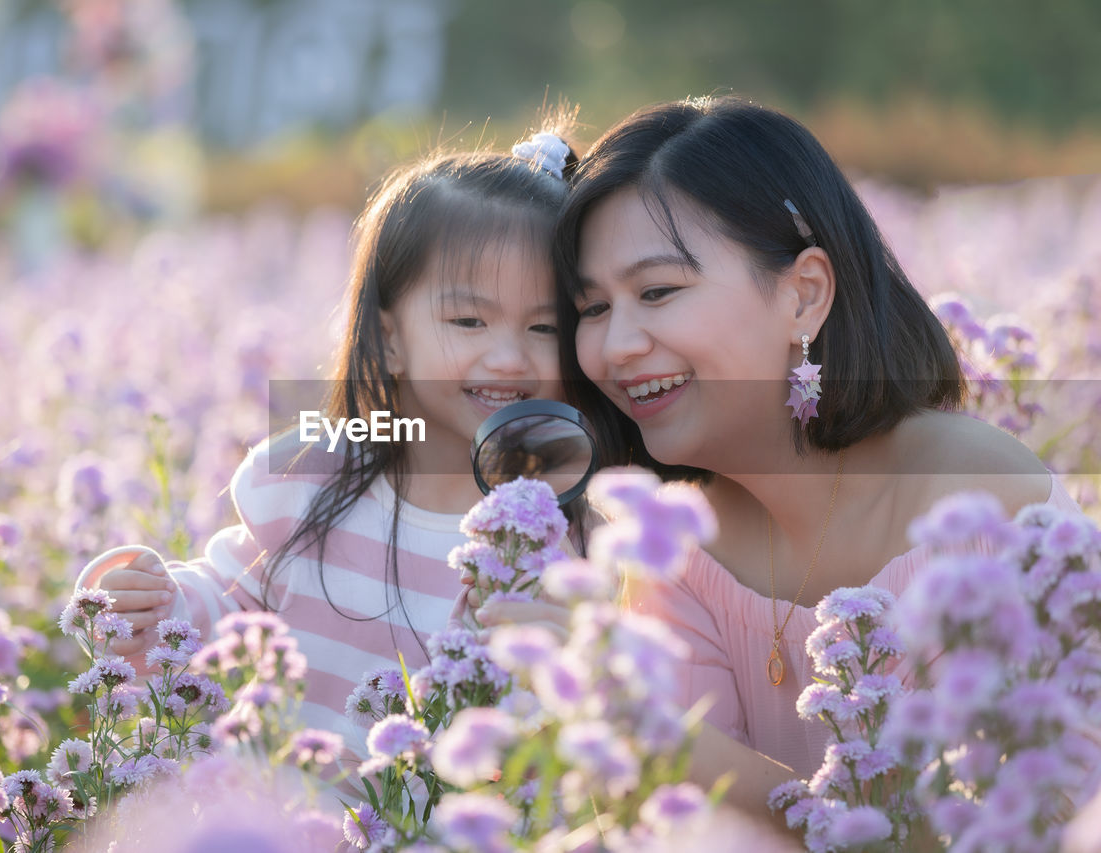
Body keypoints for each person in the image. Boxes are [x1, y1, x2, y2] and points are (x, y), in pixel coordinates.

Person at [485, 96, 1085, 822]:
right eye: (594, 308)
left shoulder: (982, 508)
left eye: (658, 291)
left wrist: (633, 715)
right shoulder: (678, 552)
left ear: (804, 295)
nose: (616, 347)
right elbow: (697, 827)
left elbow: (1030, 816)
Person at [75, 125, 582, 756]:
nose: (508, 357)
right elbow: (224, 606)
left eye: (544, 327)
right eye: (469, 320)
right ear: (391, 338)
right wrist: (151, 605)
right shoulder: (312, 479)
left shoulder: (563, 532)